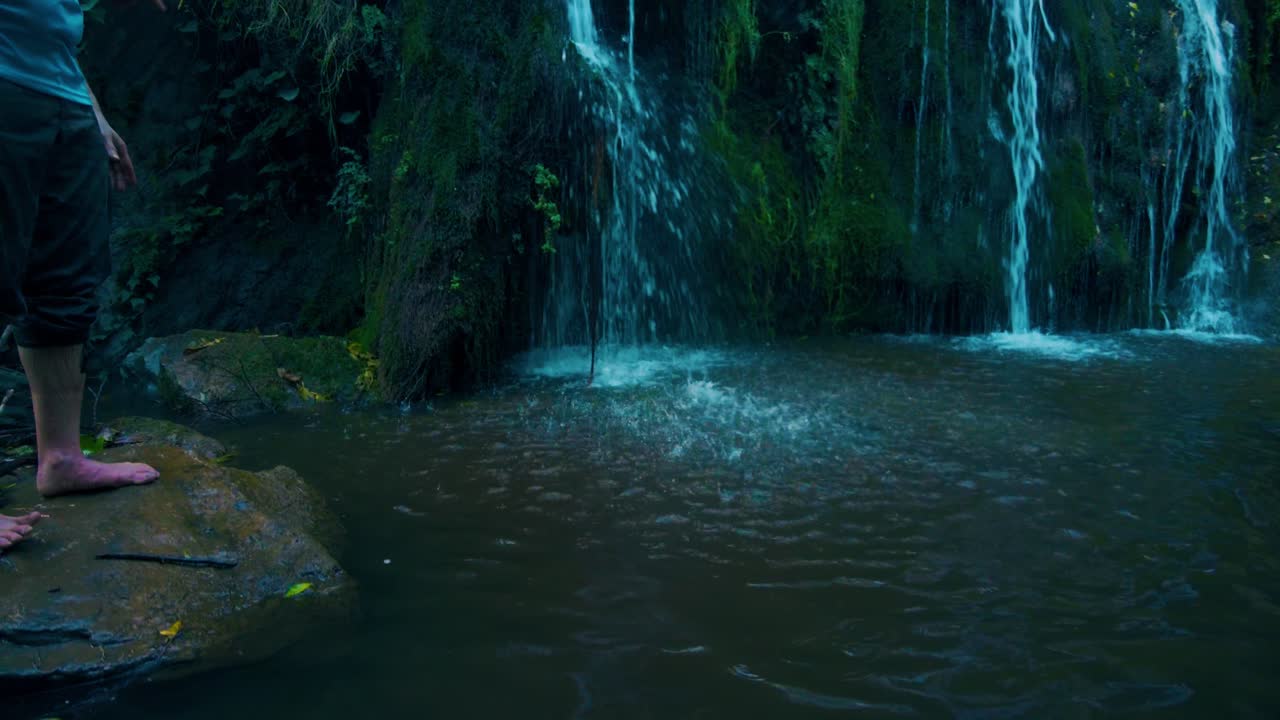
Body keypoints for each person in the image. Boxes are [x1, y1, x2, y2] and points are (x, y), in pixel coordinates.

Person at [0, 0, 167, 553]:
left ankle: (61, 459)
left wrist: (88, 108)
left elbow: (47, 30)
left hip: (59, 94)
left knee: (64, 285)